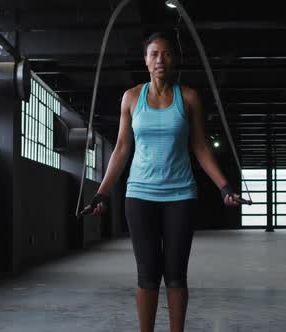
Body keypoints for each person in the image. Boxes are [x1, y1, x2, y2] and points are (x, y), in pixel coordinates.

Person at [85, 32, 243, 332]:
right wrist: (101, 193)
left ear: (175, 60)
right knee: (147, 273)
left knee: (175, 274)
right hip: (140, 195)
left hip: (180, 195)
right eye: (154, 54)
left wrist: (225, 186)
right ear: (145, 60)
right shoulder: (131, 97)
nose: (160, 60)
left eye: (167, 54)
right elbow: (120, 148)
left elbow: (199, 147)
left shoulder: (190, 97)